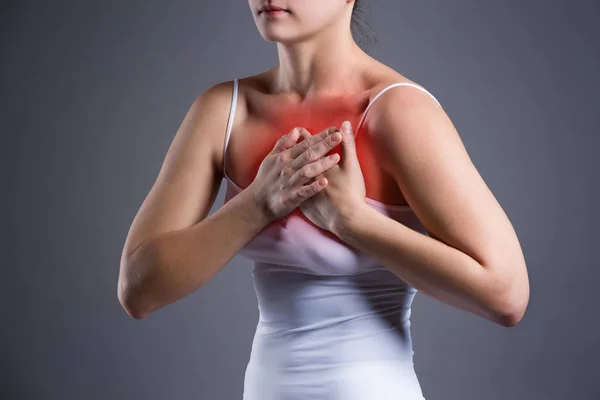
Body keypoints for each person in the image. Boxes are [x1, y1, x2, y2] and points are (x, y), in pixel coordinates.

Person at [117, 1, 530, 398]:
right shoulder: (226, 111)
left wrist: (352, 220)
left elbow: (507, 296)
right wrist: (257, 204)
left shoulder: (397, 112)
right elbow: (138, 289)